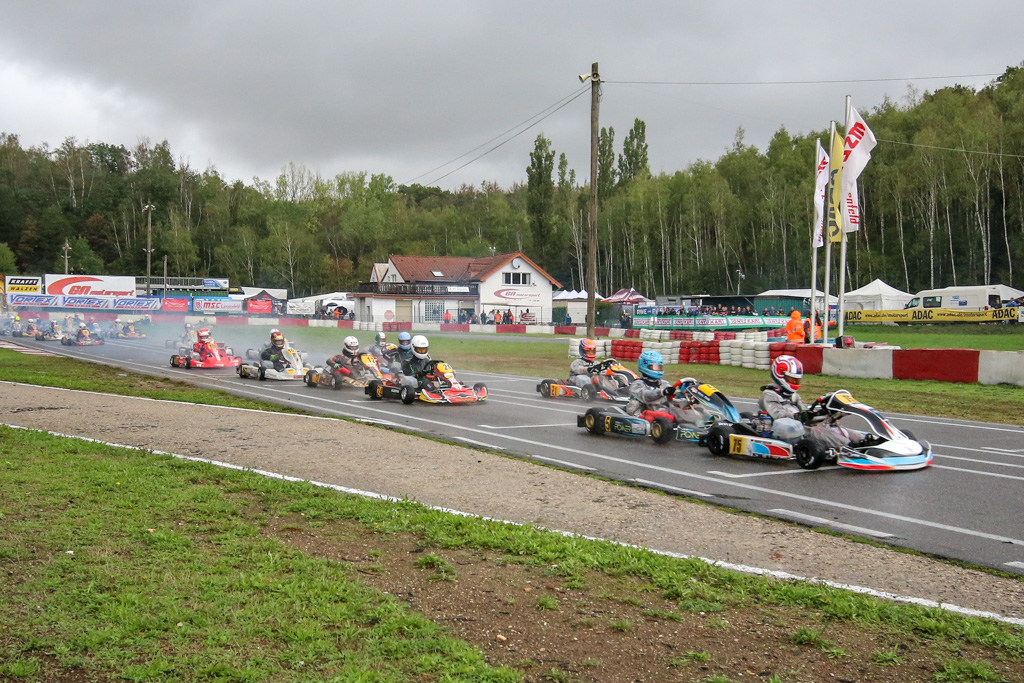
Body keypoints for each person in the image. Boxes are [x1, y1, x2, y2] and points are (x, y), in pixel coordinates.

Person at [759, 355, 863, 450]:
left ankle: (863, 440)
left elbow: (804, 411)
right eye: (792, 379)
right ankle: (849, 447)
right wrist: (798, 416)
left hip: (800, 425)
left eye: (797, 380)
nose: (795, 382)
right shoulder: (769, 395)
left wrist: (818, 414)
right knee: (820, 432)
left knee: (834, 428)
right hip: (785, 429)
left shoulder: (793, 395)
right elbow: (777, 415)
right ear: (780, 375)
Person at [626, 350, 709, 427]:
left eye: (659, 367)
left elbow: (672, 395)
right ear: (644, 366)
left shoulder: (663, 383)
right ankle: (699, 423)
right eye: (655, 367)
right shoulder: (637, 384)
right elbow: (645, 396)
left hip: (665, 409)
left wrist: (685, 396)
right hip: (650, 411)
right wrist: (663, 392)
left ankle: (711, 420)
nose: (658, 370)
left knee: (698, 407)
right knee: (674, 411)